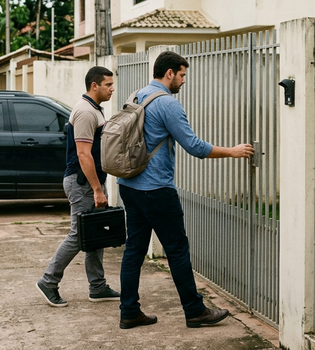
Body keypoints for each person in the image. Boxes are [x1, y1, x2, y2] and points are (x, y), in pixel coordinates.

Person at [117, 51, 254, 329]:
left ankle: (129, 312)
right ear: (169, 73)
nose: (183, 81)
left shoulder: (136, 96)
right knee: (177, 250)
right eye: (182, 75)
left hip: (129, 186)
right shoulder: (168, 103)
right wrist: (233, 151)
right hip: (156, 190)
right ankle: (194, 311)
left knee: (134, 250)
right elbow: (194, 146)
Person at [36, 66, 121, 307]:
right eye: (107, 84)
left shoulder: (93, 109)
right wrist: (96, 189)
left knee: (94, 235)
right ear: (94, 86)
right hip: (81, 182)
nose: (111, 88)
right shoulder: (85, 112)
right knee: (79, 234)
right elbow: (84, 155)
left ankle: (98, 286)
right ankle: (48, 281)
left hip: (88, 182)